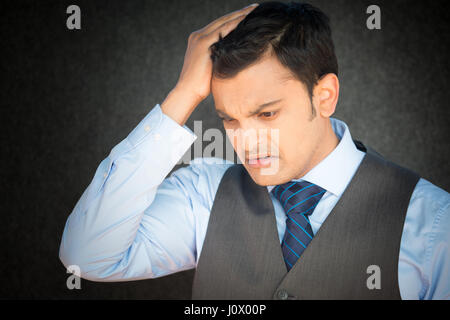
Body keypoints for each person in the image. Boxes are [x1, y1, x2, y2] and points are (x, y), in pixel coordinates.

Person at [59, 1, 449, 300]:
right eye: (230, 119)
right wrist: (183, 96)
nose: (247, 142)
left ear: (325, 96)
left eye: (266, 113)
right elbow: (88, 256)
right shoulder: (204, 192)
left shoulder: (434, 224)